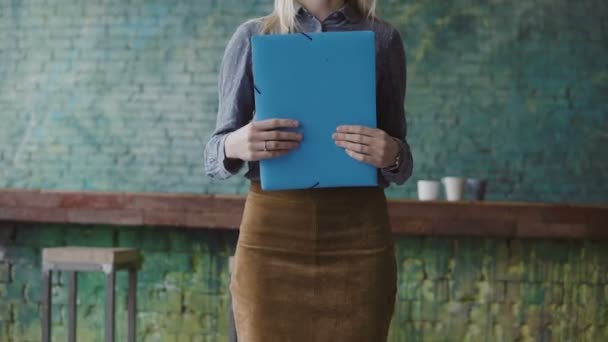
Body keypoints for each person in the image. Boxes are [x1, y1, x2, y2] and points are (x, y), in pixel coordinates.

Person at [203, 0, 413, 340]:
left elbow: (401, 161)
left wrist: (391, 153)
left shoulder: (383, 38)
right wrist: (236, 144)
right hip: (272, 237)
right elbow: (213, 153)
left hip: (358, 239)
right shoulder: (252, 36)